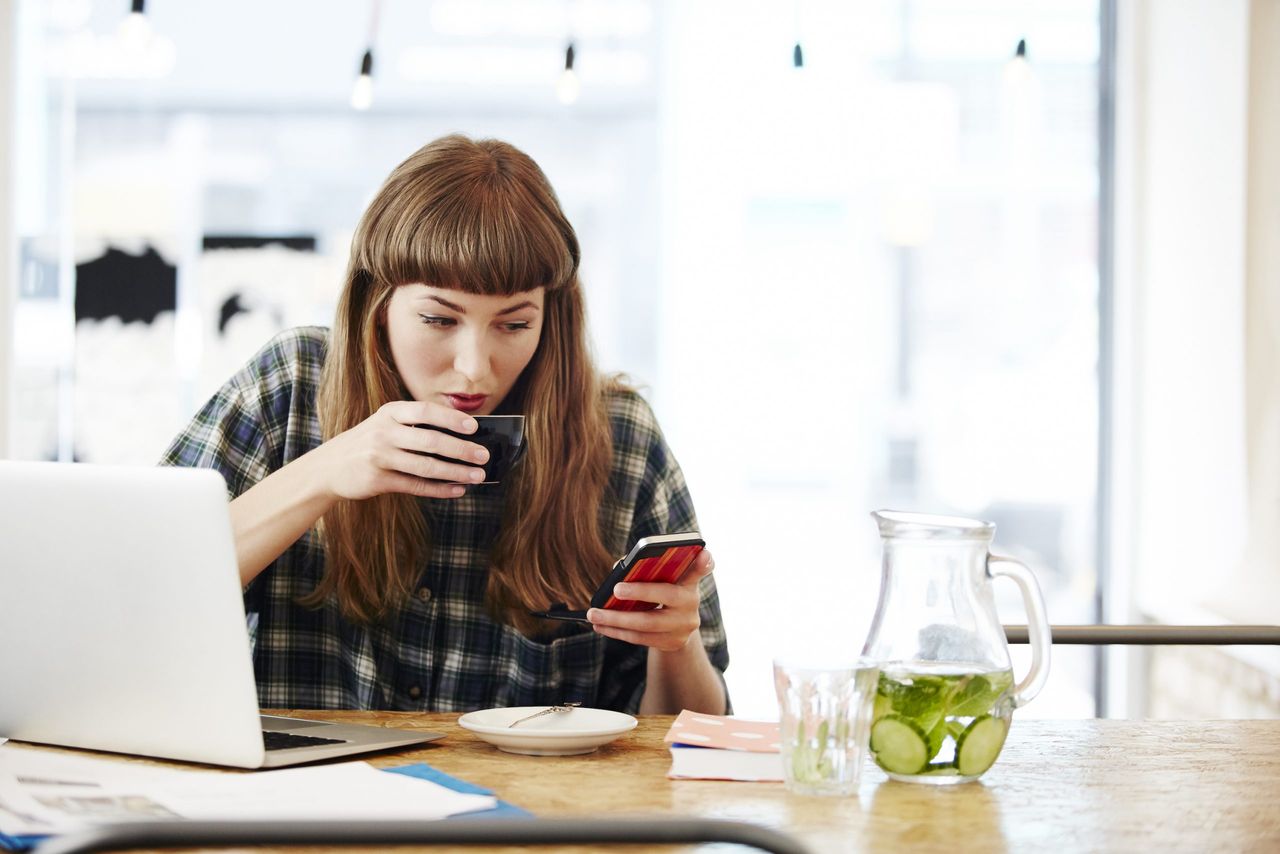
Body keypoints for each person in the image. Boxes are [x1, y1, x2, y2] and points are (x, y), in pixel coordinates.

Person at [161, 134, 729, 715]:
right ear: (377, 302)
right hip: (302, 802)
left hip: (533, 805)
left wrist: (677, 646)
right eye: (438, 318)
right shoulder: (292, 385)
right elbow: (145, 594)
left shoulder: (619, 436)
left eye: (513, 325)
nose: (474, 368)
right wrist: (325, 472)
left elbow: (697, 736)